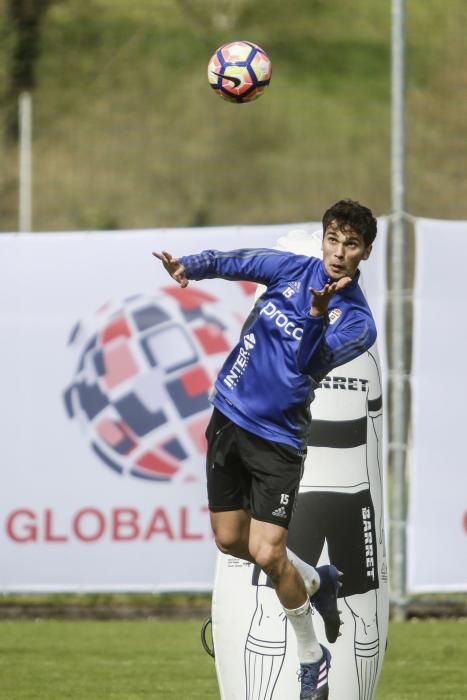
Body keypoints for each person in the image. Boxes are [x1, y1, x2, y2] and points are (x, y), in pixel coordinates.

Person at [153, 198, 377, 700]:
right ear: (324, 240)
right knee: (230, 540)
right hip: (229, 415)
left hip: (277, 441)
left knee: (265, 551)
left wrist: (317, 316)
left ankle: (311, 658)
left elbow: (308, 364)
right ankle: (317, 583)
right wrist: (191, 266)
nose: (339, 252)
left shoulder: (359, 322)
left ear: (365, 253)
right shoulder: (291, 270)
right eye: (334, 239)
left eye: (352, 244)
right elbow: (240, 260)